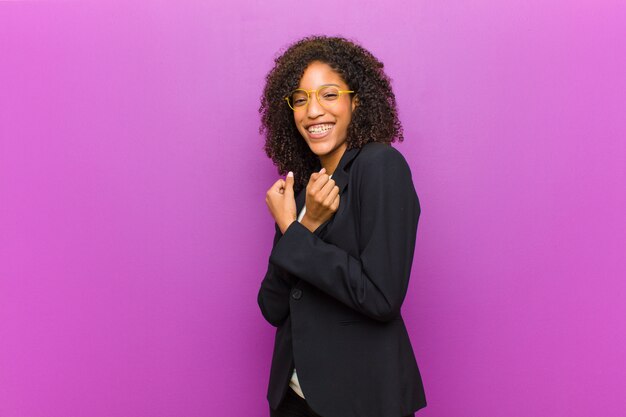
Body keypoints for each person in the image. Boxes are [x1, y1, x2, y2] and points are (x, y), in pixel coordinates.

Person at [257, 35, 427, 417]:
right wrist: (303, 222)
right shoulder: (301, 190)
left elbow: (382, 297)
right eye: (300, 99)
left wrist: (300, 232)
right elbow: (271, 307)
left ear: (357, 101)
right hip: (295, 399)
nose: (312, 111)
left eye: (329, 95)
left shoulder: (381, 166)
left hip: (361, 399)